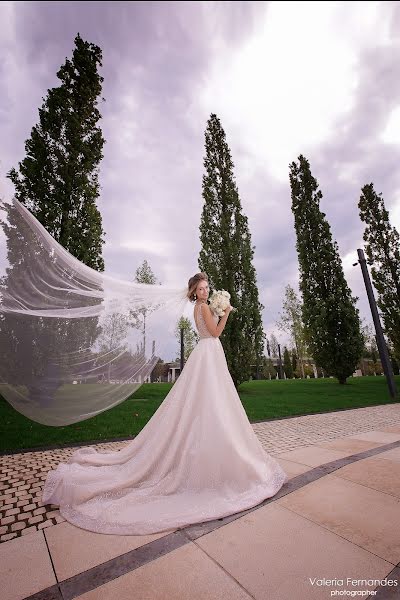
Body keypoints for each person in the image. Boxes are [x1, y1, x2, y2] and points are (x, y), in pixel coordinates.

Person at [42, 272, 288, 535]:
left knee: (209, 402)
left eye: (207, 288)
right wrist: (226, 312)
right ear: (194, 291)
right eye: (202, 289)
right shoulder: (203, 307)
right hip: (209, 352)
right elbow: (215, 332)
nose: (205, 292)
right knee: (213, 401)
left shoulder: (198, 307)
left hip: (206, 355)